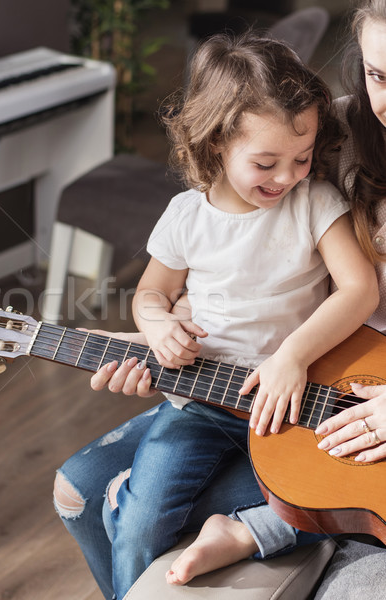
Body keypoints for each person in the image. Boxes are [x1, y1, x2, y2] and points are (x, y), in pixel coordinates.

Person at [53, 32, 379, 600]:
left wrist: (292, 357)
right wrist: (155, 327)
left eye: (302, 157)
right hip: (201, 404)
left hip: (296, 398)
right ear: (216, 144)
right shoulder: (184, 217)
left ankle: (244, 534)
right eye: (266, 162)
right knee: (139, 517)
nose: (289, 176)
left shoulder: (316, 201)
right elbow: (151, 293)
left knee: (332, 497)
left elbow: (359, 291)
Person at [162, 0, 386, 587]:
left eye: (299, 163)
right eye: (378, 74)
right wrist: (171, 320)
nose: (385, 102)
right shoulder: (326, 130)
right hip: (338, 376)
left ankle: (256, 530)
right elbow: (243, 258)